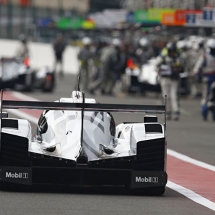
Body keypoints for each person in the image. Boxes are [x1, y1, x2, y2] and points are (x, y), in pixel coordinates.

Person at [155, 42, 182, 120]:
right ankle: (168, 112)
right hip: (164, 79)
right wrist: (158, 70)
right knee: (166, 96)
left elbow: (181, 66)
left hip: (174, 79)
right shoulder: (163, 58)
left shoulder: (177, 58)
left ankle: (176, 111)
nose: (173, 53)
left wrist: (177, 67)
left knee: (174, 96)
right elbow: (155, 65)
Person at [192, 38, 215, 121]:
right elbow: (197, 68)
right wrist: (197, 75)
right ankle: (204, 113)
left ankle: (213, 114)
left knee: (213, 98)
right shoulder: (204, 56)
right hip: (207, 79)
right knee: (206, 97)